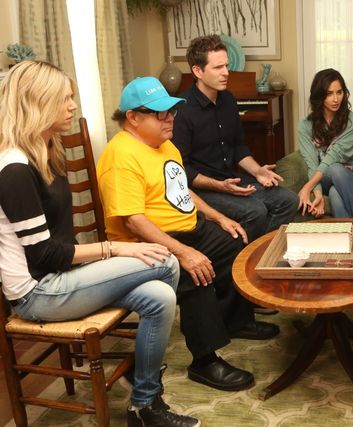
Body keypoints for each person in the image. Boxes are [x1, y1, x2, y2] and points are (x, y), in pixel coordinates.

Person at [0, 61, 199, 426]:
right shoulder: (14, 168)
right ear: (37, 103)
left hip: (63, 273)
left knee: (160, 296)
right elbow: (44, 254)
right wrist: (117, 248)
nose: (72, 106)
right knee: (166, 260)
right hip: (38, 293)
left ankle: (143, 405)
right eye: (65, 99)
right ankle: (148, 392)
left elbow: (59, 246)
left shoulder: (46, 151)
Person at [97, 76, 279, 393]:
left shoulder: (164, 144)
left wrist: (219, 217)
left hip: (186, 227)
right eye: (160, 113)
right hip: (145, 245)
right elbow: (134, 222)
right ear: (133, 117)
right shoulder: (121, 156)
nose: (170, 119)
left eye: (171, 111)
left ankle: (234, 321)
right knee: (196, 270)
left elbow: (182, 190)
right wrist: (183, 252)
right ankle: (204, 360)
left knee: (238, 242)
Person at [172, 34, 298, 243]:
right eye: (218, 67)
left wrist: (257, 171)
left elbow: (239, 147)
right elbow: (180, 170)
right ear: (198, 71)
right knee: (256, 211)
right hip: (203, 189)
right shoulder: (183, 109)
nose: (226, 72)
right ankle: (245, 258)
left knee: (288, 200)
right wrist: (219, 185)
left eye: (226, 66)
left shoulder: (228, 99)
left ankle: (263, 251)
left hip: (231, 179)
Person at [297, 68, 353, 218]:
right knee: (335, 170)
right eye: (329, 94)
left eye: (339, 92)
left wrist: (307, 187)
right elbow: (312, 164)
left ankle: (350, 233)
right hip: (327, 177)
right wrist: (318, 193)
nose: (336, 99)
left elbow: (333, 157)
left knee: (335, 189)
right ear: (319, 95)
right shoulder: (305, 125)